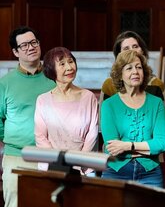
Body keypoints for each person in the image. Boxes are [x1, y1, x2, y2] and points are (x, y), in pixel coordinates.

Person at [0, 26, 55, 207]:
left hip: (49, 156)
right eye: (24, 45)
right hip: (17, 156)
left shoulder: (54, 78)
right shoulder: (5, 83)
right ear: (15, 52)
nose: (30, 47)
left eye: (33, 42)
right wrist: (14, 139)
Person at [100, 50, 165, 188]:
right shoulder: (109, 105)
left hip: (150, 172)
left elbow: (162, 143)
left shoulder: (156, 103)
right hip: (116, 170)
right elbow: (112, 148)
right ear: (120, 74)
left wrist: (127, 146)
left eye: (139, 67)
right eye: (129, 68)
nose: (135, 71)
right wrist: (147, 148)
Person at [34, 47, 98, 175]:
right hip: (52, 168)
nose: (69, 67)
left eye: (71, 61)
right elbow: (41, 138)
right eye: (62, 64)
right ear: (51, 70)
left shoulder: (88, 97)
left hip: (84, 169)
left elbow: (92, 134)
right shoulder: (43, 100)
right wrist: (60, 163)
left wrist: (78, 162)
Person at [101, 30, 165, 104]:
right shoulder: (109, 85)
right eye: (126, 48)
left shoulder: (157, 84)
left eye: (135, 46)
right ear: (119, 55)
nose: (132, 51)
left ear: (142, 51)